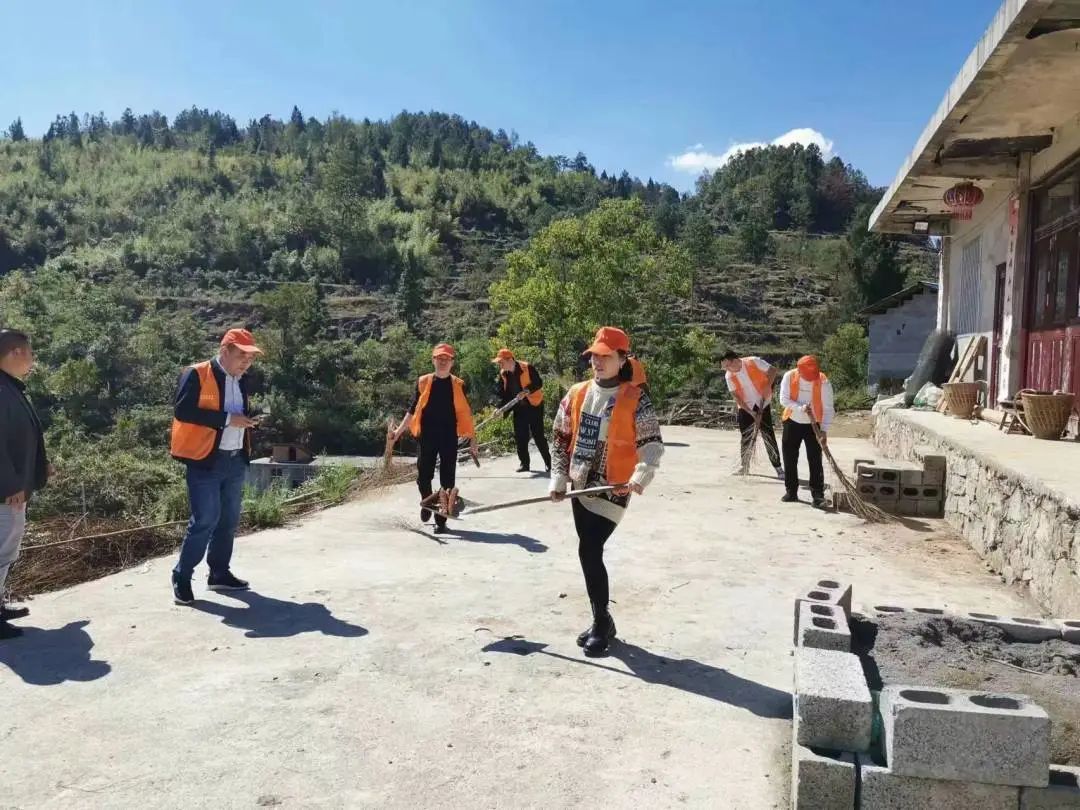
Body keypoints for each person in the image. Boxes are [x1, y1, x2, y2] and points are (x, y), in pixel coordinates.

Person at [549, 327, 663, 657]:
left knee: (589, 548)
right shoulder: (577, 393)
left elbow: (652, 443)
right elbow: (560, 437)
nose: (597, 362)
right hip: (580, 484)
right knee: (588, 551)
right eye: (594, 356)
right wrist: (558, 477)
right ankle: (603, 620)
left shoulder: (636, 398)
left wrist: (642, 473)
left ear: (622, 359)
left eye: (605, 356)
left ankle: (601, 623)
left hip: (614, 486)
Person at [170, 328, 263, 605]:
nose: (247, 361)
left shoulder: (242, 379)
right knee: (205, 519)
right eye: (242, 355)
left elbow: (234, 414)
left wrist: (248, 419)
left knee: (228, 520)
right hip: (205, 460)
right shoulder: (196, 373)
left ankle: (219, 574)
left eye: (251, 357)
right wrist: (227, 420)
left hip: (235, 458)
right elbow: (183, 410)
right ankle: (182, 576)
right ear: (225, 351)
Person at [390, 343, 477, 535]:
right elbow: (412, 410)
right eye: (439, 358)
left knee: (448, 478)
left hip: (449, 436)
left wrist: (473, 440)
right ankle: (428, 501)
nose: (443, 362)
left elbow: (465, 413)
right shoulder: (423, 382)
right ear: (433, 360)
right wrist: (398, 432)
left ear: (452, 362)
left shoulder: (459, 385)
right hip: (427, 436)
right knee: (423, 477)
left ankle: (441, 520)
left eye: (447, 359)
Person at [0, 330, 49, 639]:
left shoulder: (10, 387)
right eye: (30, 354)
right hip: (6, 492)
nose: (32, 361)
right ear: (16, 353)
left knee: (7, 550)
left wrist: (40, 466)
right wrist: (8, 485)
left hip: (15, 487)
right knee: (1, 550)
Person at [779, 355, 835, 509]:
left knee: (815, 459)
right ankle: (791, 492)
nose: (810, 379)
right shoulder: (789, 376)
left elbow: (828, 408)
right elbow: (784, 399)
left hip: (814, 425)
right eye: (807, 376)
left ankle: (818, 496)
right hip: (792, 421)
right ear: (799, 370)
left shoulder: (823, 381)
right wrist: (800, 408)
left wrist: (824, 430)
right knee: (789, 458)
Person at [720, 350, 783, 479]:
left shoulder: (753, 361)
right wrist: (751, 412)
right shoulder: (729, 376)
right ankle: (744, 466)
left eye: (727, 366)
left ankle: (778, 468)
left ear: (734, 361)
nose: (726, 370)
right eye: (724, 368)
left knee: (768, 435)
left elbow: (772, 370)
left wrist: (767, 386)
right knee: (746, 437)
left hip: (763, 403)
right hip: (746, 407)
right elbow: (736, 397)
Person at [492, 348, 551, 474]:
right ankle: (525, 464)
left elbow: (538, 383)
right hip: (519, 408)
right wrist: (498, 408)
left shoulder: (527, 367)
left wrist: (526, 391)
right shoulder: (503, 374)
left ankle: (548, 463)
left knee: (538, 435)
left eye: (501, 362)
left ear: (510, 360)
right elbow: (502, 395)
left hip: (534, 405)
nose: (500, 365)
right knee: (520, 437)